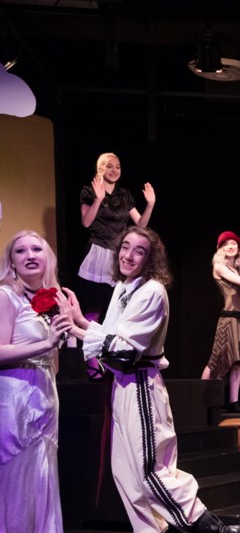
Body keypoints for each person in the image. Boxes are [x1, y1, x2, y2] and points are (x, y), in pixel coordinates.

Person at [64, 226, 240, 533]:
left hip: (142, 389)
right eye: (125, 248)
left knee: (152, 472)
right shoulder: (122, 289)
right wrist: (83, 322)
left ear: (152, 259)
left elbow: (122, 349)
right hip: (121, 388)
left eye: (139, 251)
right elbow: (111, 339)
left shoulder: (152, 291)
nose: (129, 256)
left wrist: (82, 331)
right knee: (126, 475)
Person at [0, 231, 72, 533]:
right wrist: (45, 343)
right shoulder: (5, 296)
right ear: (10, 261)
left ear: (48, 258)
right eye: (20, 251)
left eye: (36, 249)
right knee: (10, 481)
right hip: (12, 398)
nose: (29, 255)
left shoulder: (51, 299)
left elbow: (60, 349)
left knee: (34, 483)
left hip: (44, 395)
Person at [77, 152, 156, 378]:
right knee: (92, 309)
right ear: (100, 168)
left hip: (118, 255)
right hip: (97, 254)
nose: (114, 170)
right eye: (109, 166)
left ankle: (112, 358)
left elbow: (140, 224)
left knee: (116, 309)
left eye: (118, 166)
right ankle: (92, 364)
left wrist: (150, 204)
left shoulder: (124, 194)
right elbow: (86, 222)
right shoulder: (90, 191)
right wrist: (99, 199)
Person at [200, 231, 240, 414]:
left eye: (233, 243)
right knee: (216, 360)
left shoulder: (239, 270)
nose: (231, 246)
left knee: (238, 362)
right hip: (229, 319)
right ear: (220, 249)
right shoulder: (219, 266)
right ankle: (200, 398)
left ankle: (234, 402)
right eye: (226, 244)